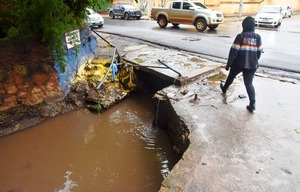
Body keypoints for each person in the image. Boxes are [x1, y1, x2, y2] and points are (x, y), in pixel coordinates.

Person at [220, 16, 262, 112]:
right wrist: (254, 60)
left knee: (231, 76)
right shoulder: (258, 37)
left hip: (238, 63)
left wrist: (228, 64)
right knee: (249, 83)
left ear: (244, 25)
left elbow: (233, 51)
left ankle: (224, 89)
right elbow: (259, 53)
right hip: (252, 65)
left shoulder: (240, 36)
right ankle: (252, 104)